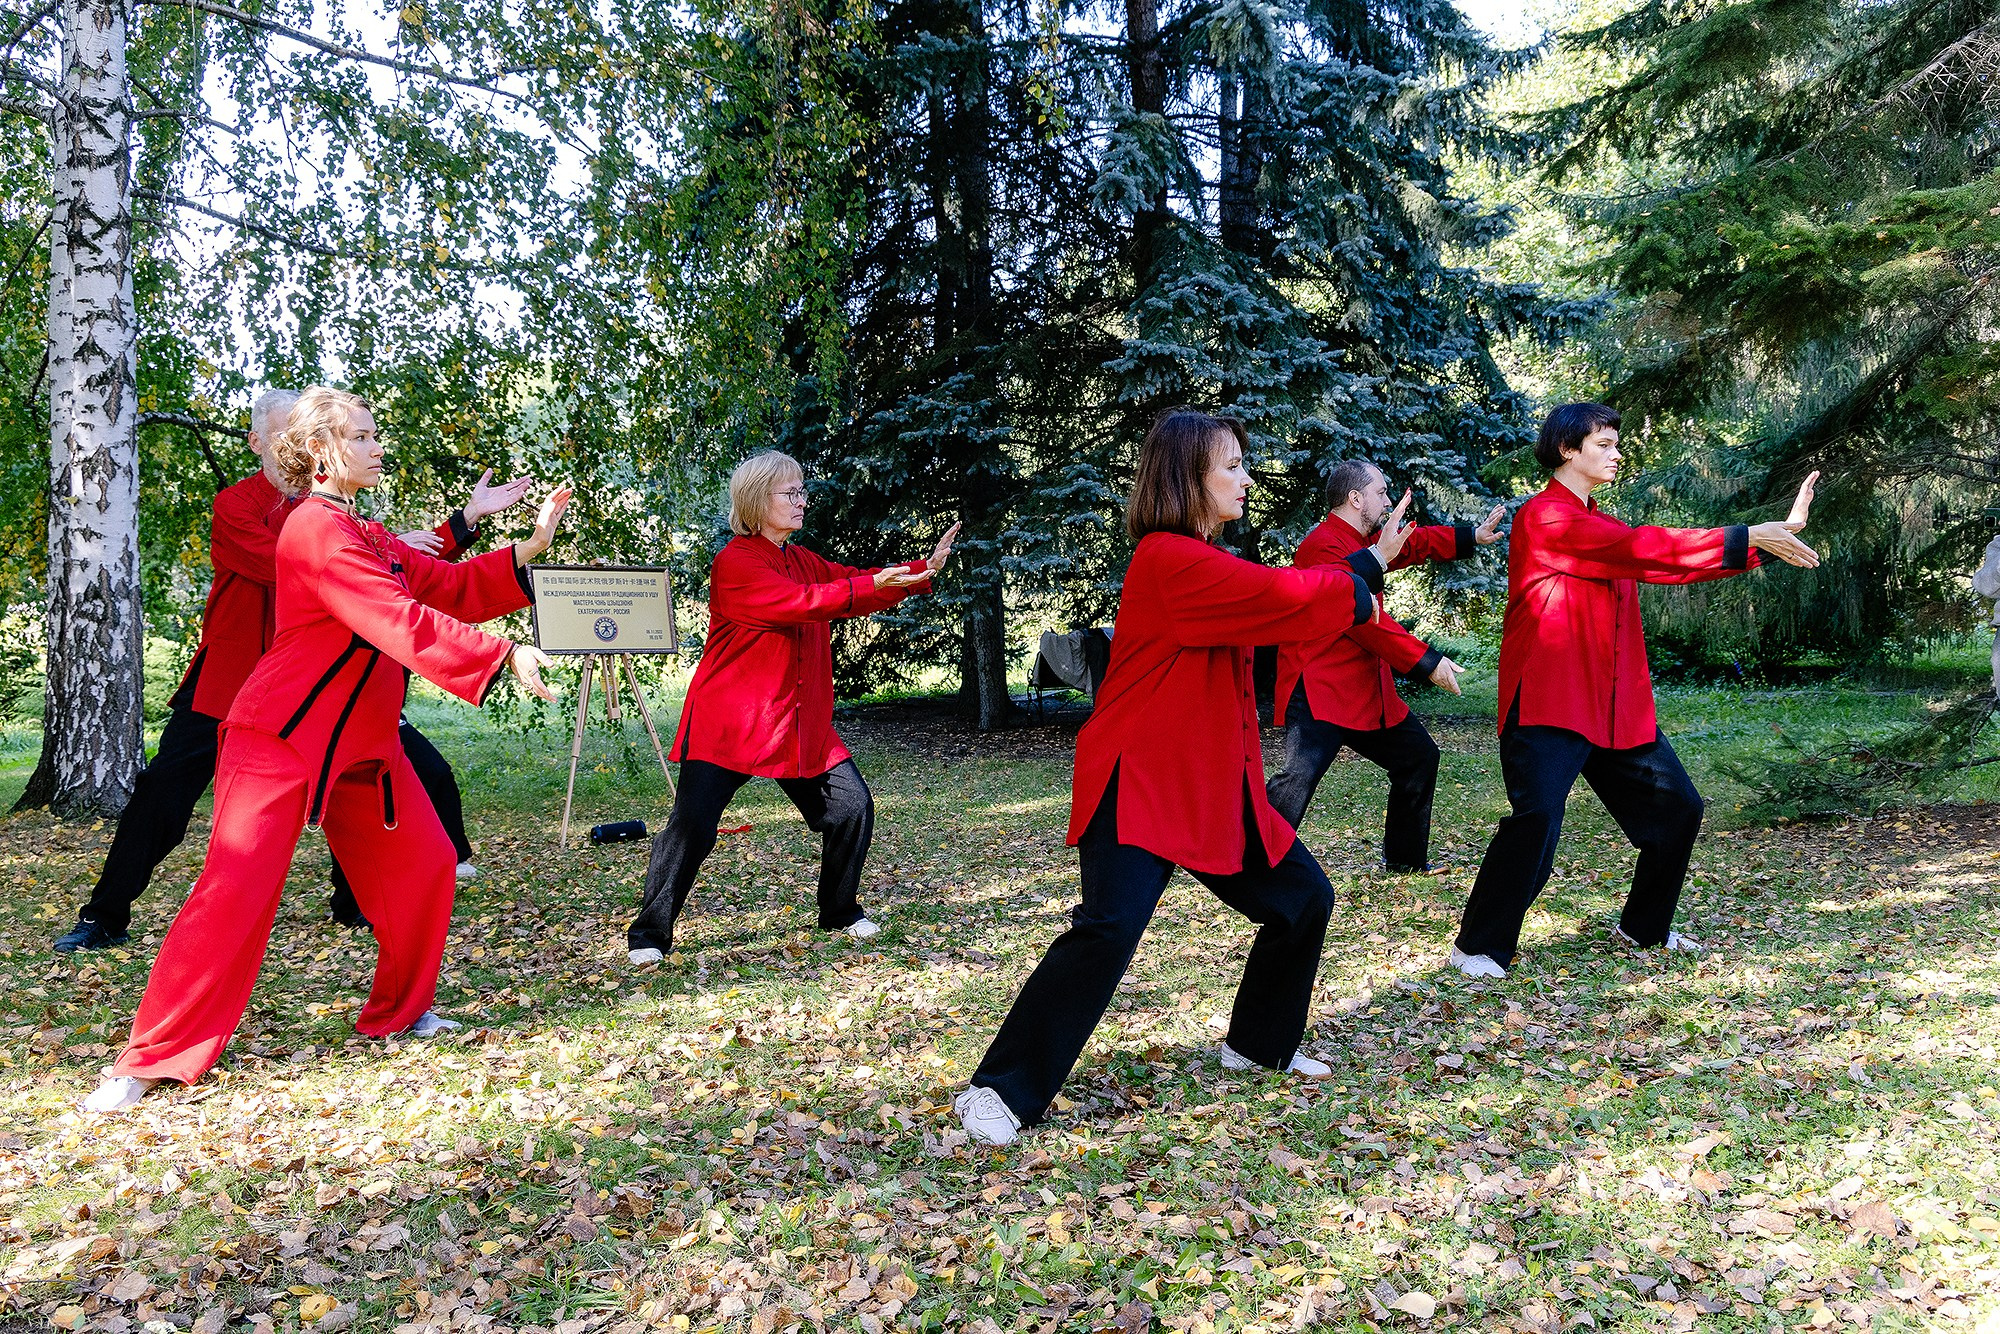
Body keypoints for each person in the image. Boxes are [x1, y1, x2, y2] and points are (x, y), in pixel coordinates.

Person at [82, 387, 569, 1113]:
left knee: (428, 865)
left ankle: (400, 1014)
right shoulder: (313, 530)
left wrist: (529, 547)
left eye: (376, 434)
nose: (377, 448)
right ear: (321, 450)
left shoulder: (366, 533)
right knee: (237, 888)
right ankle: (149, 1058)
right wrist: (500, 657)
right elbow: (392, 614)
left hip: (362, 743)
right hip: (280, 736)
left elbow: (447, 584)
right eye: (364, 436)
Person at [953, 409, 1409, 1147]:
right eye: (1231, 466)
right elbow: (1283, 601)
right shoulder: (1168, 557)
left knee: (1301, 901)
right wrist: (1368, 566)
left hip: (1209, 784)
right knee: (1107, 931)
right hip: (1140, 780)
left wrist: (1368, 571)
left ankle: (1257, 1046)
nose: (1246, 479)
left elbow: (1274, 604)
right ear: (1186, 477)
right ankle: (997, 1092)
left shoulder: (1202, 558)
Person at [54, 389, 533, 951]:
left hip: (319, 688)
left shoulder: (341, 517)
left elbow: (405, 575)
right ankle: (105, 913)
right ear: (264, 443)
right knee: (163, 795)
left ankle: (356, 902)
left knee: (382, 773)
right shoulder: (242, 507)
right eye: (286, 434)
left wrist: (466, 520)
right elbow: (306, 563)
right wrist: (384, 548)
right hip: (231, 686)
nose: (297, 447)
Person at [1449, 403, 1820, 979]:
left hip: (1612, 706)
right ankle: (1478, 945)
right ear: (1567, 450)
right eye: (1604, 443)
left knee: (1678, 810)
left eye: (1616, 443)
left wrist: (1757, 545)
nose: (1617, 453)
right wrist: (1748, 536)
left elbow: (1658, 559)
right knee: (1537, 823)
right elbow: (1644, 550)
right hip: (1551, 701)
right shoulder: (1544, 517)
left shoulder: (1599, 523)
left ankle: (1643, 928)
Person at [625, 451, 957, 965]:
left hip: (796, 721)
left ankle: (839, 911)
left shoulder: (800, 557)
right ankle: (650, 934)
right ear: (758, 501)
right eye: (790, 493)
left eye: (803, 491)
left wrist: (919, 572)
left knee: (851, 807)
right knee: (693, 827)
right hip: (731, 720)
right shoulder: (736, 561)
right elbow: (806, 602)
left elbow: (849, 584)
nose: (801, 501)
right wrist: (878, 582)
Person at [1267, 459, 1505, 872]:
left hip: (1364, 691)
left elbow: (1414, 542)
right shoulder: (1321, 547)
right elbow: (1365, 624)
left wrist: (1471, 537)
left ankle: (1404, 862)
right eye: (1380, 492)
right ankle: (1250, 858)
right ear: (1355, 498)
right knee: (1295, 782)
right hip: (1320, 691)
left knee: (1418, 757)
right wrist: (1427, 662)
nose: (1387, 500)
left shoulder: (1367, 542)